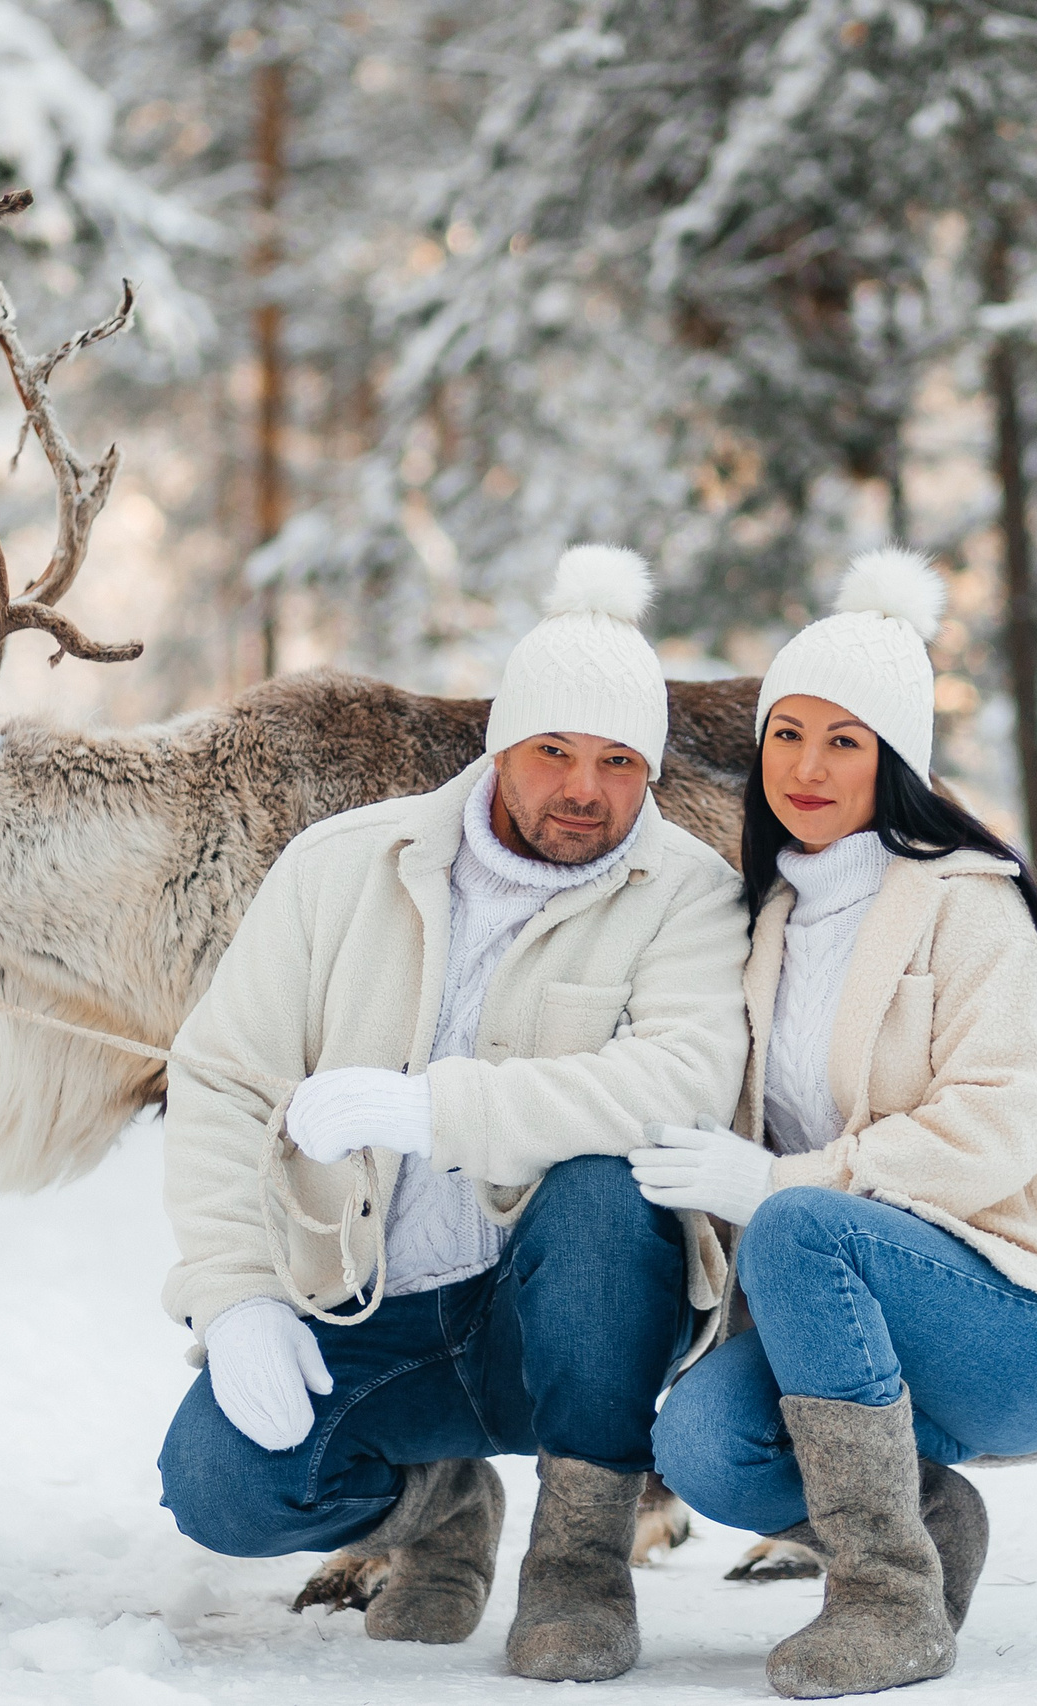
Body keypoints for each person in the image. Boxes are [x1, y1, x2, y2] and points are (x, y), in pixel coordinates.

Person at [156, 545, 749, 1683]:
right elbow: (223, 1077)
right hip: (374, 1301)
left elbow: (678, 1075)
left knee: (598, 1183)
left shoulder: (683, 891)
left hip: (574, 1312)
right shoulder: (339, 867)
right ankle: (434, 1503)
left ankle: (578, 1561)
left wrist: (437, 1107)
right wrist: (232, 1294)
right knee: (220, 1489)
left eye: (621, 760)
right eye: (555, 751)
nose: (586, 787)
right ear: (499, 745)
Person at [631, 547, 1037, 1700]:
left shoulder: (969, 904)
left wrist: (785, 1182)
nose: (806, 766)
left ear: (893, 758)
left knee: (804, 1217)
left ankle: (883, 1598)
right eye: (787, 733)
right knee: (700, 1440)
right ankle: (923, 1521)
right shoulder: (760, 923)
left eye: (844, 740)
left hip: (1022, 1320)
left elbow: (997, 1123)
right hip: (851, 1334)